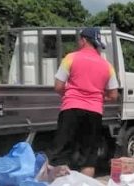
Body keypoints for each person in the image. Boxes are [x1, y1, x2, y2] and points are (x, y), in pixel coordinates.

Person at [49, 27, 119, 177]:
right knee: (88, 159)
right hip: (94, 112)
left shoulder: (71, 58)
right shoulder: (107, 66)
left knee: (61, 154)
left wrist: (70, 96)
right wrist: (99, 98)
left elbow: (58, 86)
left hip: (71, 109)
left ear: (83, 40)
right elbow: (113, 95)